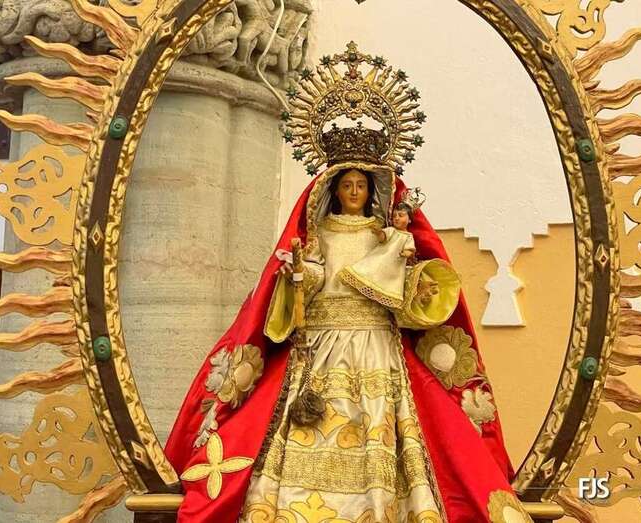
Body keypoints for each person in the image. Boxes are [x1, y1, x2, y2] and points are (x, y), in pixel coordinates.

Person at [165, 43, 532, 523]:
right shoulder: (319, 233)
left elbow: (408, 295)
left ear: (372, 188)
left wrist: (402, 257)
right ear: (334, 189)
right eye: (347, 185)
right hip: (321, 346)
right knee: (303, 430)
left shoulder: (387, 236)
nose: (354, 192)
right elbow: (314, 281)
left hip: (376, 344)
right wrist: (300, 274)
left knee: (382, 426)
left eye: (361, 185)